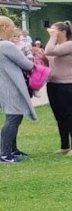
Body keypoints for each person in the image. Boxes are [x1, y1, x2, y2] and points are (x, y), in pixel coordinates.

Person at [0, 16, 37, 163]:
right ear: (4, 28)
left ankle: (12, 149)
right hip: (11, 87)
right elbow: (27, 64)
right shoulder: (6, 45)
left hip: (5, 86)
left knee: (15, 116)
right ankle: (5, 153)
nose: (14, 29)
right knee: (13, 117)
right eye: (12, 27)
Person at [44, 21, 72, 156]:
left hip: (66, 85)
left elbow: (49, 51)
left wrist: (53, 37)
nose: (51, 33)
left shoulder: (70, 45)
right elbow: (46, 54)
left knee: (68, 115)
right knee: (59, 116)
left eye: (54, 31)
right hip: (52, 84)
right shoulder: (56, 45)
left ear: (63, 32)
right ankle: (64, 145)